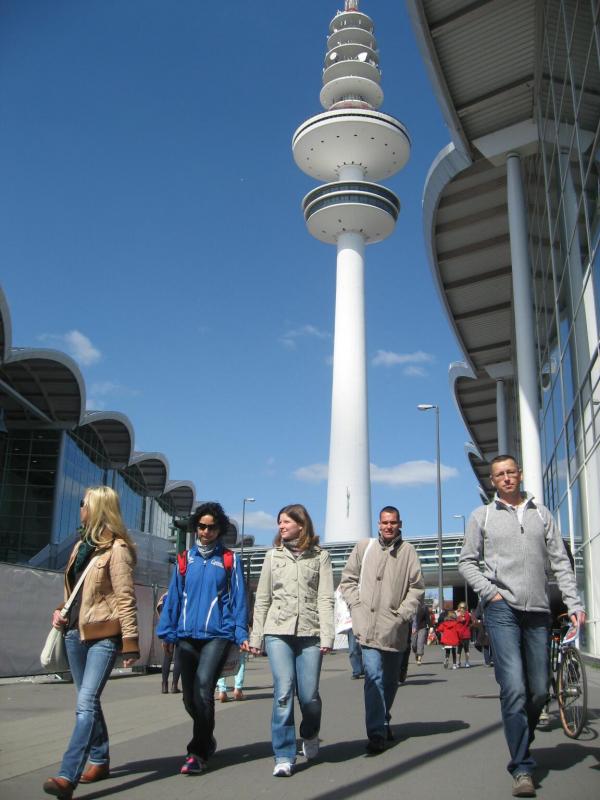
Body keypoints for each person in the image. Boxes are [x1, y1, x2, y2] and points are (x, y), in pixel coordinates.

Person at [459, 455, 586, 798]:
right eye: (499, 474)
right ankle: (522, 766)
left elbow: (560, 561)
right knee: (513, 686)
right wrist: (491, 593)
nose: (506, 478)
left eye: (511, 472)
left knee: (540, 690)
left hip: (538, 610)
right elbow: (466, 562)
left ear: (520, 475)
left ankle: (521, 737)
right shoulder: (482, 516)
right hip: (503, 609)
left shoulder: (541, 514)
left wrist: (574, 603)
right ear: (493, 481)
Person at [43, 486, 139, 800]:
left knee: (85, 703)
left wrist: (130, 642)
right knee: (89, 702)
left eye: (84, 503)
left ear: (97, 508)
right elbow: (76, 593)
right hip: (74, 634)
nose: (80, 507)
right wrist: (60, 611)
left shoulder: (118, 549)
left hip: (103, 637)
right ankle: (99, 759)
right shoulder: (80, 546)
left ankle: (66, 775)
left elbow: (125, 598)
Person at [157, 501, 249, 775]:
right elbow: (174, 598)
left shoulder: (230, 560)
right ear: (196, 527)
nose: (206, 532)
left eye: (212, 527)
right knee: (189, 698)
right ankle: (207, 739)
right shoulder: (185, 559)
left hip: (217, 635)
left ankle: (196, 752)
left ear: (219, 529)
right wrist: (167, 632)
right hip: (186, 634)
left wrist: (240, 633)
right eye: (201, 526)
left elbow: (239, 599)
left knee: (203, 689)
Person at [249, 504, 334, 777]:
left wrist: (328, 635)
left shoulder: (320, 557)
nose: (281, 526)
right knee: (283, 692)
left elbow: (325, 598)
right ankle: (284, 754)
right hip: (277, 631)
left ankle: (310, 732)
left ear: (301, 524)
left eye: (286, 521)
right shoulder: (272, 556)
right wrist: (256, 637)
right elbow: (262, 599)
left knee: (309, 697)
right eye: (279, 522)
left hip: (310, 632)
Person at [339, 506, 425, 753]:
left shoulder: (408, 552)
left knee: (390, 681)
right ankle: (376, 732)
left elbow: (417, 587)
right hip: (367, 626)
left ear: (400, 524)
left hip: (395, 628)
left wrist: (402, 614)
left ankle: (383, 717)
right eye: (385, 522)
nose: (388, 526)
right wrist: (356, 606)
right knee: (373, 676)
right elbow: (348, 579)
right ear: (378, 524)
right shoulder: (363, 548)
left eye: (393, 522)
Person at [156, 592, 181, 693]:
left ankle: (164, 685)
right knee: (178, 658)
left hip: (168, 629)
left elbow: (160, 611)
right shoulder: (182, 594)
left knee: (167, 657)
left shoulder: (166, 596)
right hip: (179, 629)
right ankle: (174, 686)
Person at [456, 601, 472, 668]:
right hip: (466, 634)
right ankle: (467, 662)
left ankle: (458, 663)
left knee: (459, 650)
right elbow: (470, 622)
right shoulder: (468, 615)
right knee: (466, 649)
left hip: (459, 634)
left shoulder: (458, 616)